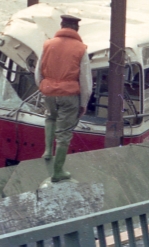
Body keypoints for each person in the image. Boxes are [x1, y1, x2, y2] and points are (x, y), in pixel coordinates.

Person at [34, 14, 92, 183]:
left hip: (49, 92)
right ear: (76, 29)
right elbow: (85, 80)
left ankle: (47, 151)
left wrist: (44, 87)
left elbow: (38, 72)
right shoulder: (81, 49)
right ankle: (58, 171)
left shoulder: (48, 44)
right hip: (69, 95)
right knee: (64, 134)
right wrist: (83, 103)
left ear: (61, 26)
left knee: (50, 117)